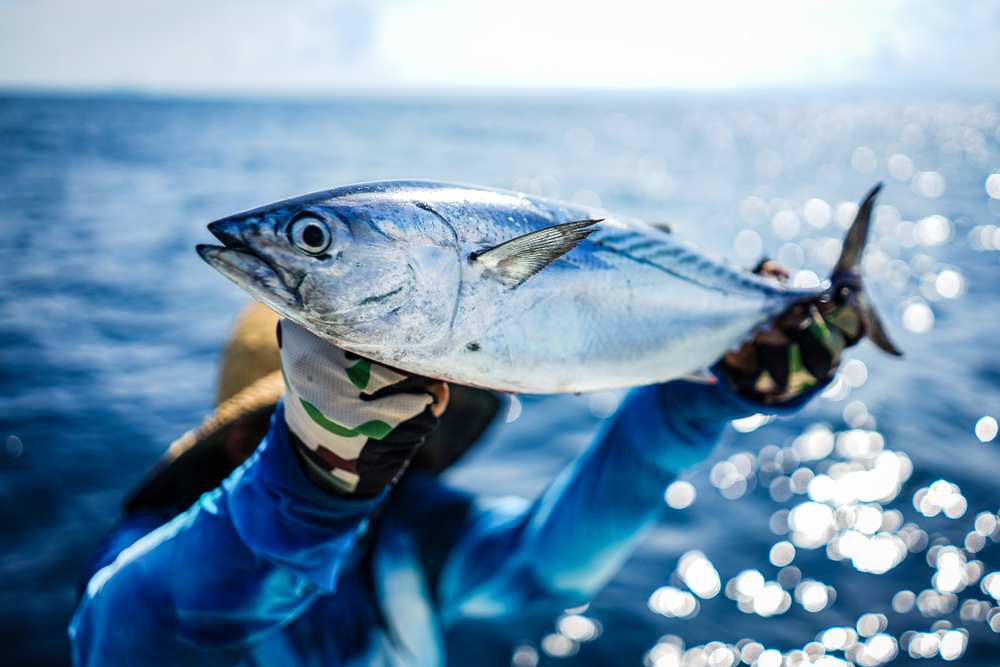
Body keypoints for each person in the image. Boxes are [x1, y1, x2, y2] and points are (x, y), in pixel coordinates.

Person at [69, 267, 864, 667]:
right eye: (305, 410)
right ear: (250, 441)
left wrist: (692, 402)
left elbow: (546, 570)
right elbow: (129, 630)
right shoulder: (147, 550)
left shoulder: (411, 530)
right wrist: (308, 486)